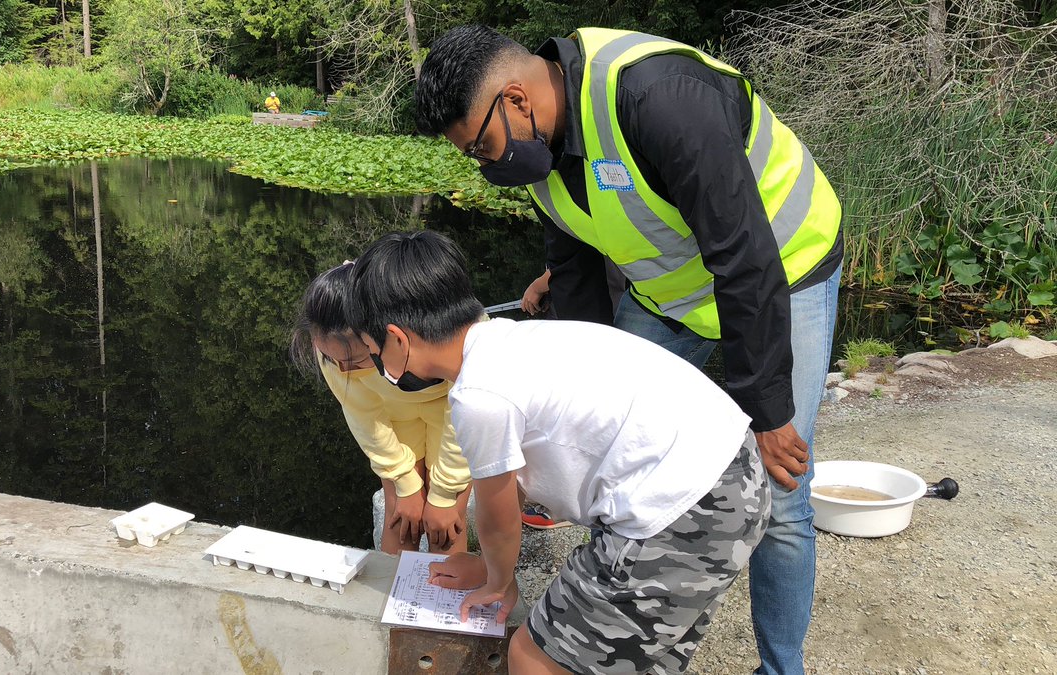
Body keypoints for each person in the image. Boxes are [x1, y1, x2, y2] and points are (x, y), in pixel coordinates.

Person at [414, 25, 844, 674]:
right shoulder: (538, 154)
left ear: (516, 99)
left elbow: (743, 255)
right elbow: (576, 271)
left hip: (782, 264)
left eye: (482, 145)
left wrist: (769, 410)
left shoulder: (657, 96)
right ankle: (623, 604)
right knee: (626, 457)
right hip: (674, 288)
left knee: (782, 487)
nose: (486, 163)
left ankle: (781, 667)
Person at [345, 230, 769, 675]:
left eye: (374, 353)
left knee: (533, 656)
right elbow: (515, 477)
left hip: (680, 514)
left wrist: (498, 582)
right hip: (731, 476)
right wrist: (490, 567)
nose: (379, 367)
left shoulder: (479, 394)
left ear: (397, 339)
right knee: (639, 661)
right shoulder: (511, 341)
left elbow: (499, 510)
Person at [290, 263, 472, 554]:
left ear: (385, 337)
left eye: (359, 361)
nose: (342, 370)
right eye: (330, 358)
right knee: (401, 516)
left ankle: (445, 596)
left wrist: (444, 493)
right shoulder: (333, 347)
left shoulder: (437, 333)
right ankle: (396, 597)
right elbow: (364, 418)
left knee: (446, 523)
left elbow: (464, 416)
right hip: (393, 415)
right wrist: (405, 482)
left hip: (453, 412)